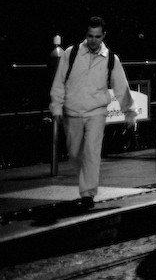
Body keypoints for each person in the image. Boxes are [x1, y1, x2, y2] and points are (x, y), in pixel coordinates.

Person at [49, 17, 136, 210]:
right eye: (90, 36)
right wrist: (56, 107)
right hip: (72, 111)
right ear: (85, 35)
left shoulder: (110, 58)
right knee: (74, 153)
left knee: (91, 152)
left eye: (97, 36)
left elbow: (121, 87)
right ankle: (86, 185)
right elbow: (59, 82)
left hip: (96, 112)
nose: (93, 40)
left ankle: (87, 193)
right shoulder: (71, 54)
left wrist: (129, 112)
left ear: (104, 35)